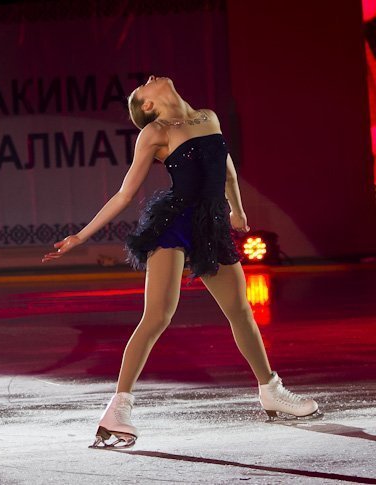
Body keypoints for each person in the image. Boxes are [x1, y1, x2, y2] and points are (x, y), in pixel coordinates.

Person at [41, 75, 321, 449]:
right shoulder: (154, 132)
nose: (151, 79)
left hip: (212, 223)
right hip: (174, 223)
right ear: (148, 107)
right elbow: (125, 194)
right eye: (143, 87)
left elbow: (227, 169)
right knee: (157, 315)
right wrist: (80, 236)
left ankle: (271, 390)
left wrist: (237, 210)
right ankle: (117, 409)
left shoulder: (208, 117)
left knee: (240, 310)